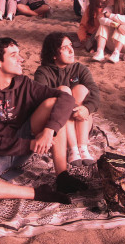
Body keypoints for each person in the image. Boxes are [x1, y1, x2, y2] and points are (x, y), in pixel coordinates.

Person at [0, 37, 86, 203]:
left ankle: (62, 177)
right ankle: (37, 193)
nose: (21, 59)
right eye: (13, 55)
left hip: (21, 142)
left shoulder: (24, 83)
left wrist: (48, 131)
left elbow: (66, 99)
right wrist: (30, 145)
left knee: (54, 104)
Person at [34, 33, 101, 166]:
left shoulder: (80, 68)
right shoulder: (43, 73)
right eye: (65, 48)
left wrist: (87, 109)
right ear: (54, 54)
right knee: (64, 92)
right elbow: (40, 99)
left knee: (81, 89)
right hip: (58, 124)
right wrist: (68, 106)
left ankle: (82, 147)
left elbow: (94, 92)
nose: (71, 50)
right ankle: (73, 149)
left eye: (71, 45)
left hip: (81, 121)